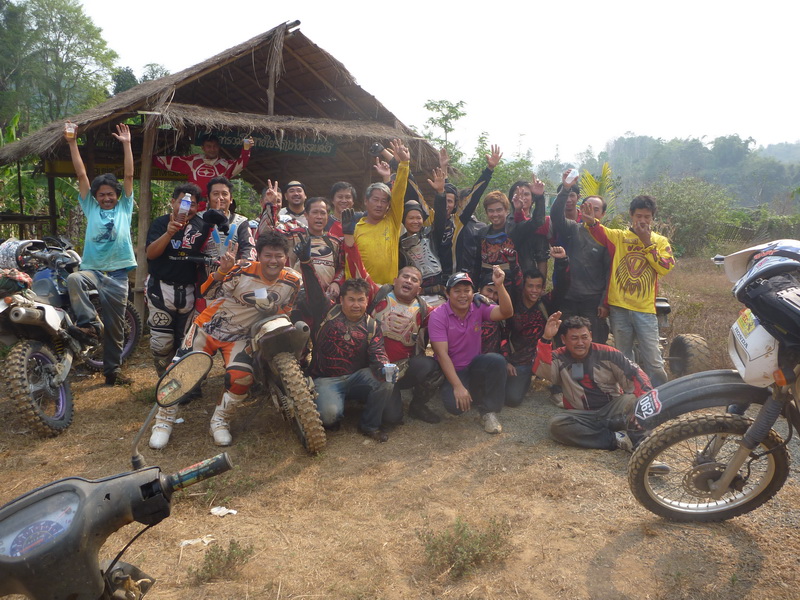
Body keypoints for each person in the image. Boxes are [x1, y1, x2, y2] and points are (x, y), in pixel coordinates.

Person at [149, 232, 301, 449]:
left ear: (286, 257)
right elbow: (206, 292)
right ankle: (163, 421)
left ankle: (220, 421)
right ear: (259, 255)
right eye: (268, 255)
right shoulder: (241, 270)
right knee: (181, 371)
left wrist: (273, 308)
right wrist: (222, 271)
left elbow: (286, 310)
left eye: (279, 256)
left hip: (241, 336)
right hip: (208, 328)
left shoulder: (293, 281)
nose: (273, 261)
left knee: (242, 378)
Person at [337, 219, 441, 425]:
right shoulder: (378, 294)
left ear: (419, 289)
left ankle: (418, 405)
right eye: (405, 277)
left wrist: (474, 299)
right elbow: (358, 269)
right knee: (391, 419)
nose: (408, 281)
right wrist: (349, 240)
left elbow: (449, 315)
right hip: (373, 367)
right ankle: (367, 396)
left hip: (402, 369)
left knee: (433, 366)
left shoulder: (424, 310)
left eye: (414, 280)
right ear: (395, 280)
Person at [63, 121, 136, 386]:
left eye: (110, 194)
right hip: (93, 271)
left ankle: (112, 372)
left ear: (117, 195)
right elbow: (81, 174)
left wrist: (127, 145)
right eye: (102, 194)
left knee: (115, 327)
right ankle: (90, 325)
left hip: (117, 275)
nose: (106, 198)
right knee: (74, 279)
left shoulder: (124, 207)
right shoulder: (91, 208)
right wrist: (72, 142)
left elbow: (129, 176)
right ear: (95, 197)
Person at [581, 195, 675, 386]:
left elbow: (665, 267)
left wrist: (647, 243)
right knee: (623, 357)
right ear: (631, 215)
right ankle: (631, 391)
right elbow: (599, 232)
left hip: (645, 309)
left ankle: (659, 394)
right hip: (619, 308)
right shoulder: (619, 237)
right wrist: (591, 222)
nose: (642, 220)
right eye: (639, 216)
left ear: (652, 218)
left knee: (653, 359)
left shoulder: (660, 241)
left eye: (647, 217)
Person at [533, 312, 655, 453]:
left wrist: (643, 406)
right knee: (556, 425)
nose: (580, 343)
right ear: (563, 339)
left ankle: (644, 449)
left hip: (613, 409)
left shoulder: (609, 353)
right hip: (583, 416)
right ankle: (617, 438)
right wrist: (546, 339)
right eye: (574, 338)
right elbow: (541, 371)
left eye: (584, 337)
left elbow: (637, 375)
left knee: (634, 401)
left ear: (590, 336)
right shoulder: (558, 357)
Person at [429, 268, 513, 433]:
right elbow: (442, 354)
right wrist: (458, 387)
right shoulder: (438, 316)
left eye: (467, 290)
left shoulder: (478, 307)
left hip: (474, 365)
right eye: (457, 291)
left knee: (497, 361)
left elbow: (506, 312)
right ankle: (464, 390)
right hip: (452, 369)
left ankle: (488, 411)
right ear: (447, 293)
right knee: (455, 408)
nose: (463, 295)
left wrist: (500, 285)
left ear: (472, 292)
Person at [310, 278, 394, 443]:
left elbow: (378, 353)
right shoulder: (327, 313)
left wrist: (385, 367)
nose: (356, 305)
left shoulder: (372, 325)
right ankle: (332, 409)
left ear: (367, 300)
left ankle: (370, 425)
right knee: (329, 417)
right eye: (351, 299)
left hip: (356, 377)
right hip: (326, 379)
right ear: (341, 300)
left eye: (361, 300)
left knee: (387, 380)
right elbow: (314, 290)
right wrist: (306, 266)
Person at [144, 183, 213, 375]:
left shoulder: (203, 227)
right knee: (161, 345)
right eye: (182, 203)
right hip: (161, 288)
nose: (187, 208)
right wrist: (169, 233)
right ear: (173, 202)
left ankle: (186, 383)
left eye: (192, 204)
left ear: (198, 206)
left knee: (188, 342)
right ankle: (164, 380)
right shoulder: (160, 223)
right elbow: (150, 254)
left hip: (189, 291)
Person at [504, 248, 570, 407]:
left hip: (545, 356)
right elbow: (503, 333)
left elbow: (562, 286)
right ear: (524, 287)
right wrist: (505, 359)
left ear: (542, 288)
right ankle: (526, 379)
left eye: (538, 287)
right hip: (521, 359)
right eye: (530, 286)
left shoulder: (546, 303)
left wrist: (561, 261)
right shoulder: (514, 304)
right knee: (512, 399)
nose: (534, 290)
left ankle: (557, 389)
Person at [550, 173, 610, 344]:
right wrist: (565, 188)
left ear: (603, 214)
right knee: (565, 342)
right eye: (587, 207)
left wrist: (604, 302)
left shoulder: (608, 237)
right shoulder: (573, 228)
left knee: (594, 343)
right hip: (568, 297)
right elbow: (556, 216)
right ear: (581, 209)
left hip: (593, 301)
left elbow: (609, 272)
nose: (590, 212)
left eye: (596, 209)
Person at [433, 146, 499, 276]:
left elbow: (474, 195)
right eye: (443, 201)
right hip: (433, 280)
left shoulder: (457, 222)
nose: (446, 205)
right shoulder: (429, 218)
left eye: (450, 202)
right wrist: (443, 168)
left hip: (454, 280)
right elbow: (442, 194)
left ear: (456, 204)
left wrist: (489, 170)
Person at [352, 139, 410, 284]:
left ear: (388, 205)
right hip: (362, 290)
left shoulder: (392, 221)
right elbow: (349, 262)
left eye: (384, 201)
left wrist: (404, 164)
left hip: (388, 290)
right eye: (375, 200)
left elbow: (399, 193)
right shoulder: (356, 228)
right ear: (366, 201)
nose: (379, 204)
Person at [153, 134, 253, 207]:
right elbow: (167, 162)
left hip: (215, 205)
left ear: (218, 147)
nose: (212, 149)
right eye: (209, 146)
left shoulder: (226, 164)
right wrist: (148, 156)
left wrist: (246, 149)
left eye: (215, 146)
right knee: (185, 226)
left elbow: (241, 164)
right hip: (191, 203)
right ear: (203, 148)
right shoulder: (192, 160)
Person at [202, 176, 254, 261]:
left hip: (233, 268)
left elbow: (248, 247)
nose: (221, 198)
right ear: (208, 199)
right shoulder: (199, 218)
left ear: (231, 199)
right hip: (204, 268)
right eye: (215, 194)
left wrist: (244, 261)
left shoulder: (241, 222)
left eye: (224, 194)